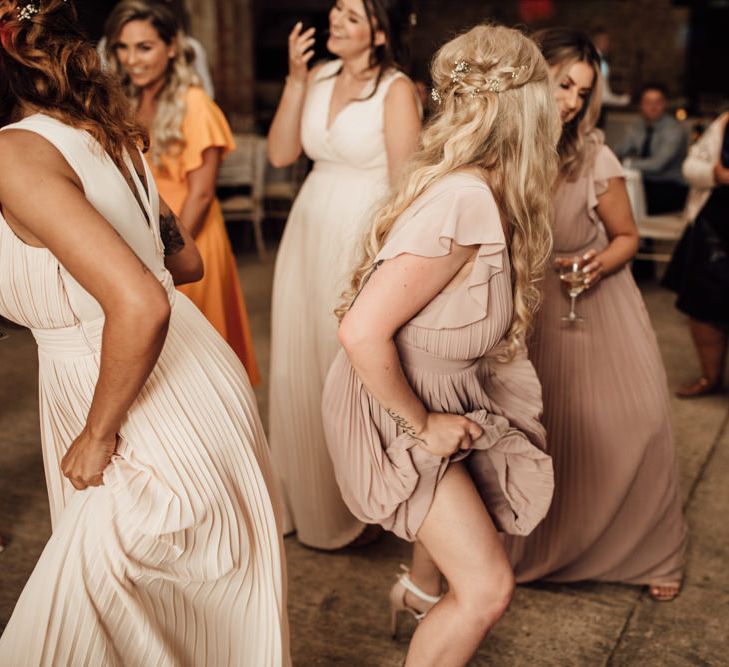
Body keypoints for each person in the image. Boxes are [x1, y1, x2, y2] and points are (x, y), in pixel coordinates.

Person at [0, 1, 288, 664]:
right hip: (193, 372)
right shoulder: (108, 131)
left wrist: (100, 433)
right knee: (183, 621)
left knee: (69, 627)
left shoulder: (17, 151)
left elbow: (141, 304)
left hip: (126, 389)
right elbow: (181, 263)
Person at [322, 24, 557, 666]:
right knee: (486, 589)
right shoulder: (463, 200)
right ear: (525, 107)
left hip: (433, 389)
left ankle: (417, 594)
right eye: (550, 91)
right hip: (395, 400)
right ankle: (428, 601)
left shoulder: (483, 190)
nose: (562, 106)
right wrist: (423, 423)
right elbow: (361, 331)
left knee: (471, 553)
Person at [502, 28, 687, 602]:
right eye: (563, 84)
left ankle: (648, 549)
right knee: (540, 429)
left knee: (637, 423)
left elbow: (628, 236)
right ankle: (538, 548)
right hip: (520, 304)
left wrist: (597, 262)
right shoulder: (501, 149)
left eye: (582, 92)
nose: (571, 102)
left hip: (590, 300)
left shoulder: (593, 155)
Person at [266, 0, 422, 549]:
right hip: (308, 229)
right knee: (297, 362)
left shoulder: (396, 90)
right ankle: (303, 499)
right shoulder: (317, 75)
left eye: (352, 16)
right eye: (337, 9)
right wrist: (293, 81)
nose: (335, 20)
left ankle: (360, 502)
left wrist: (385, 261)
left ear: (379, 33)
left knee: (343, 363)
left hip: (360, 237)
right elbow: (283, 154)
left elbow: (406, 186)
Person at [104, 0, 260, 383]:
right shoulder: (128, 103)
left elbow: (202, 194)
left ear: (172, 46)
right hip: (144, 239)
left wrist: (164, 255)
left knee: (198, 359)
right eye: (123, 48)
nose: (132, 60)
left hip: (191, 241)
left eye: (145, 47)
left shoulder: (196, 105)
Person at [662, 111, 729, 397]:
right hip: (713, 226)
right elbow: (690, 166)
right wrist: (714, 174)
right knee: (701, 305)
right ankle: (710, 378)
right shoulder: (725, 122)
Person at [616, 83, 689, 214]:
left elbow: (658, 164)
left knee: (625, 202)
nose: (653, 107)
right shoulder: (637, 126)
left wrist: (628, 163)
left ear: (664, 104)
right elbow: (620, 150)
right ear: (641, 105)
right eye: (648, 102)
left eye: (658, 102)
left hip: (669, 186)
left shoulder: (674, 129)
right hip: (643, 182)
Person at [592, 26, 629, 108]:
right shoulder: (599, 62)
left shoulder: (593, 58)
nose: (609, 44)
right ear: (600, 40)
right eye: (607, 40)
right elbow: (603, 96)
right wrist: (623, 100)